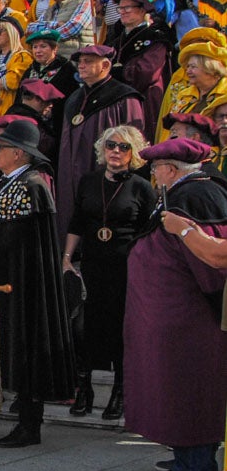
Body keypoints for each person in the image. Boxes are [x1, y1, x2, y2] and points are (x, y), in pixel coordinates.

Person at [0, 118, 77, 446]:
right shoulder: (7, 181)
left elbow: (12, 242)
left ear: (19, 154)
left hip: (21, 283)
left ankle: (28, 424)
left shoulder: (29, 185)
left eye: (0, 147)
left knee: (24, 347)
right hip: (0, 277)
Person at [125, 138, 227, 471]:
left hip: (188, 318)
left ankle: (194, 465)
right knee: (179, 387)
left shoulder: (197, 196)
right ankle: (194, 457)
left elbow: (212, 264)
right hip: (174, 316)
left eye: (155, 169)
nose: (153, 175)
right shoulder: (183, 194)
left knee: (188, 387)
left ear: (170, 169)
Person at [62, 126, 155, 420]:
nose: (116, 151)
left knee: (119, 329)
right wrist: (66, 258)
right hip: (92, 265)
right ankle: (84, 388)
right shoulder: (89, 182)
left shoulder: (142, 187)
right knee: (84, 328)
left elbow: (148, 232)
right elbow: (77, 222)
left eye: (124, 147)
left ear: (134, 153)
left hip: (126, 268)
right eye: (111, 145)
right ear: (103, 149)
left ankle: (119, 392)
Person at [56, 45, 147, 238]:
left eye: (88, 61)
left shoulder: (124, 97)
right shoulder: (74, 98)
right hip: (73, 175)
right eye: (79, 62)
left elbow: (134, 143)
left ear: (105, 65)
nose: (81, 66)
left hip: (107, 177)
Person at [105, 0, 173, 119]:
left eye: (127, 8)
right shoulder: (117, 39)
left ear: (142, 10)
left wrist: (115, 73)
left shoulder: (156, 38)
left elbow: (147, 73)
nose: (122, 12)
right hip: (115, 101)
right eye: (120, 8)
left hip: (143, 101)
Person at [158, 28, 227, 140]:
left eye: (193, 67)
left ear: (209, 68)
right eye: (188, 66)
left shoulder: (224, 94)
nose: (188, 71)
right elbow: (169, 131)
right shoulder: (184, 95)